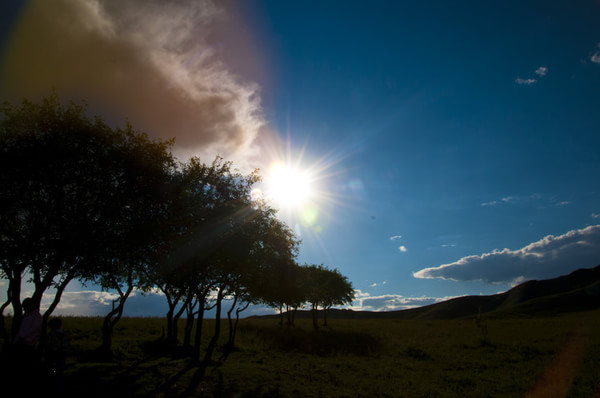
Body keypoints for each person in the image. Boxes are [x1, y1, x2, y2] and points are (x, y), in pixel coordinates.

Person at [45, 317, 69, 393]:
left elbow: (50, 345)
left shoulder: (52, 334)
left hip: (54, 355)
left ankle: (54, 386)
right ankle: (59, 387)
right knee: (59, 371)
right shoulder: (64, 333)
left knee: (53, 370)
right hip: (62, 355)